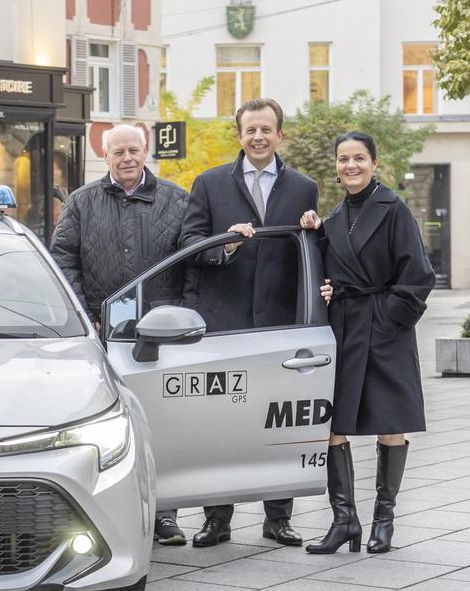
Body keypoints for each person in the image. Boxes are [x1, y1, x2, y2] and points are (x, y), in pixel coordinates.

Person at [179, 98, 319, 548]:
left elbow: (312, 250)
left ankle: (277, 519)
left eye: (267, 130)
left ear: (280, 134)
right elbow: (190, 243)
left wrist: (316, 229)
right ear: (238, 136)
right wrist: (226, 248)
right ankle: (216, 519)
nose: (258, 137)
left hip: (281, 323)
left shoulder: (304, 187)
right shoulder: (209, 183)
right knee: (218, 423)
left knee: (278, 422)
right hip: (224, 323)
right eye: (250, 130)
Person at [51, 124, 191, 546]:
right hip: (103, 333)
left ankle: (164, 513)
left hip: (162, 333)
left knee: (163, 422)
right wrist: (82, 315)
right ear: (106, 156)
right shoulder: (81, 202)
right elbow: (62, 261)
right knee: (109, 424)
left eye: (133, 150)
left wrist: (182, 313)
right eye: (118, 152)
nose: (127, 158)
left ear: (145, 151)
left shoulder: (176, 199)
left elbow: (192, 260)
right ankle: (112, 510)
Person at [300, 132, 434, 554]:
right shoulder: (336, 217)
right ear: (336, 166)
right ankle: (344, 521)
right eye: (343, 159)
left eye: (359, 158)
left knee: (390, 423)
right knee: (334, 425)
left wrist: (387, 317)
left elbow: (418, 276)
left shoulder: (393, 210)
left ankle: (384, 521)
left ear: (374, 162)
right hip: (345, 330)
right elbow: (332, 266)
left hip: (385, 330)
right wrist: (314, 232)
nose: (351, 166)